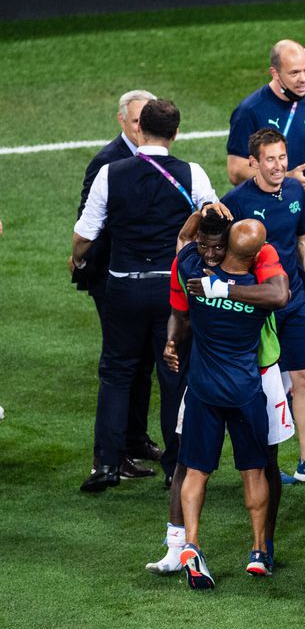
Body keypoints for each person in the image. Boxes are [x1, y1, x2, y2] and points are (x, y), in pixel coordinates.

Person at [72, 99, 218, 492]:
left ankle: (105, 464)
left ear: (140, 130)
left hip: (123, 287)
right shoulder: (192, 173)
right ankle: (177, 466)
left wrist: (78, 260)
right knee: (174, 375)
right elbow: (215, 219)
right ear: (175, 134)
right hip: (171, 290)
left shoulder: (109, 173)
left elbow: (85, 233)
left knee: (117, 373)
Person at [150, 208, 293, 575]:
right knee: (255, 470)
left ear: (227, 241)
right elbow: (279, 296)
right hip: (246, 387)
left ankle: (191, 544)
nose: (209, 253)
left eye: (215, 247)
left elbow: (182, 245)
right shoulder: (252, 285)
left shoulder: (188, 268)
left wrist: (197, 218)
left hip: (202, 387)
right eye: (205, 247)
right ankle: (259, 551)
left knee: (194, 470)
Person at [221, 128, 305, 485]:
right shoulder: (235, 202)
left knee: (304, 376)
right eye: (270, 159)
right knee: (259, 386)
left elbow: (304, 238)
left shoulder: (295, 191)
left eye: (282, 158)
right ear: (253, 162)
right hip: (256, 309)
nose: (278, 166)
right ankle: (262, 460)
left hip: (293, 302)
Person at [75, 89, 162, 474]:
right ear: (122, 121)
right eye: (136, 120)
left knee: (143, 362)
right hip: (114, 280)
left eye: (148, 120)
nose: (142, 127)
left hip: (137, 279)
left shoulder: (153, 158)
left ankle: (135, 439)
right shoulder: (107, 162)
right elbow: (89, 223)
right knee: (124, 364)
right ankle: (115, 455)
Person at [226, 41, 305, 188]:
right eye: (294, 73)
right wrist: (285, 178)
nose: (303, 79)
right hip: (261, 208)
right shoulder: (249, 110)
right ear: (275, 73)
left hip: (296, 207)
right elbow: (236, 171)